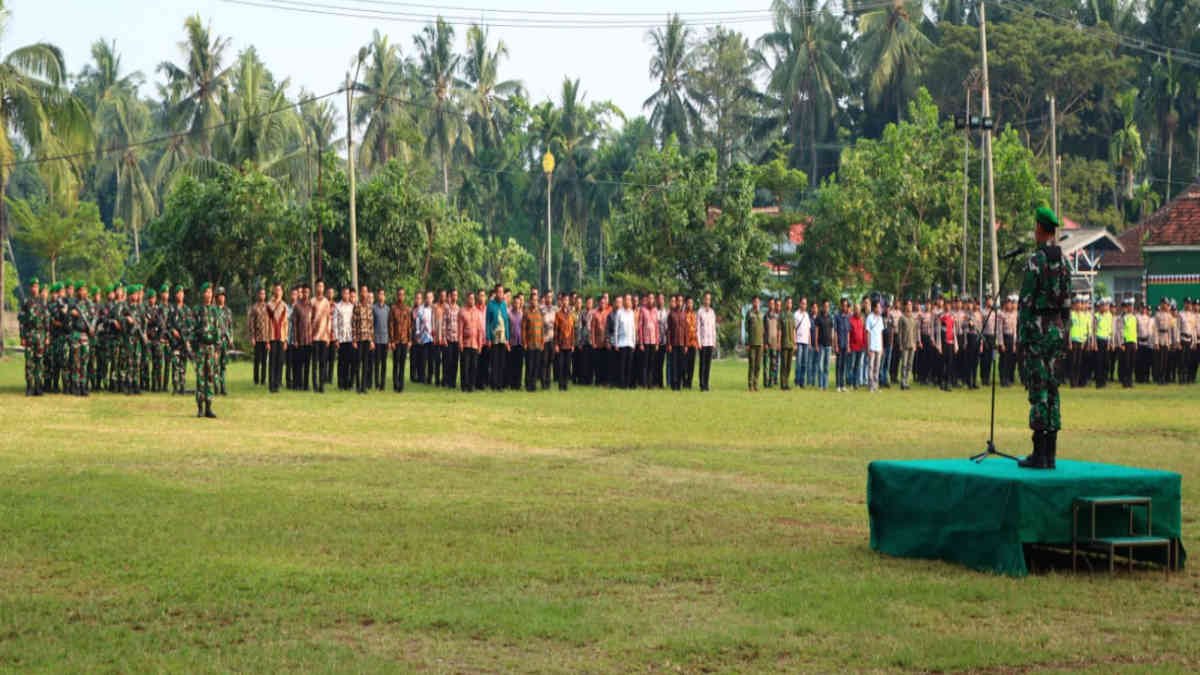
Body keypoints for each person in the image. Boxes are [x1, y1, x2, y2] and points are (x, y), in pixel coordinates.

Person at [1017, 207, 1071, 470]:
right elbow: (1068, 303)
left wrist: (1022, 337)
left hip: (1037, 331)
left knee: (1038, 390)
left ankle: (1039, 455)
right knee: (1053, 390)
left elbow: (1026, 302)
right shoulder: (1064, 262)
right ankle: (1051, 454)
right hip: (1057, 332)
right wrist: (1065, 333)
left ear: (1039, 227)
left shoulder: (1035, 261)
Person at [193, 282, 221, 419]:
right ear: (202, 294)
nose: (208, 295)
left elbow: (218, 330)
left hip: (211, 348)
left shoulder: (215, 311)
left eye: (210, 292)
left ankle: (209, 407)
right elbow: (192, 329)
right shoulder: (197, 310)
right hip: (200, 347)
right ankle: (200, 407)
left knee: (210, 377)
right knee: (200, 378)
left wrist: (217, 349)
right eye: (206, 292)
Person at [18, 278, 46, 396]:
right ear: (30, 288)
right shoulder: (26, 302)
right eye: (33, 286)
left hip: (40, 336)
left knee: (39, 362)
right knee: (29, 362)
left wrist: (47, 336)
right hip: (29, 335)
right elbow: (21, 321)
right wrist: (22, 337)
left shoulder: (42, 302)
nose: (35, 288)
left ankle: (38, 387)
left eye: (36, 286)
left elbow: (47, 320)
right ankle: (29, 386)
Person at [485, 284, 510, 391]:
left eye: (502, 292)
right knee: (494, 362)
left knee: (502, 362)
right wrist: (488, 338)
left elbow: (506, 322)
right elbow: (487, 322)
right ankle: (494, 385)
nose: (500, 294)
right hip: (494, 338)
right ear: (495, 293)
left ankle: (500, 384)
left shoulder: (504, 305)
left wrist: (507, 339)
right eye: (499, 292)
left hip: (503, 338)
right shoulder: (490, 305)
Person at [266, 284, 289, 393]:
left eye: (279, 290)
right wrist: (267, 341)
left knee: (280, 361)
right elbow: (267, 323)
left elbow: (286, 324)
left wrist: (285, 340)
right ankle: (271, 384)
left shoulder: (284, 306)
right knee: (272, 362)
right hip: (272, 337)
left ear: (282, 292)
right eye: (276, 290)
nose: (278, 291)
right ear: (273, 291)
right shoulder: (269, 305)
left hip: (281, 337)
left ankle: (277, 383)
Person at [458, 291, 483, 392]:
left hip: (475, 344)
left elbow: (480, 330)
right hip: (466, 343)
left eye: (473, 298)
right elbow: (460, 329)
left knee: (474, 366)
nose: (472, 300)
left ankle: (471, 386)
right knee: (465, 366)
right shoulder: (462, 312)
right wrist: (460, 343)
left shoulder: (477, 312)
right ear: (466, 299)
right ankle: (464, 386)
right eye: (470, 298)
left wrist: (480, 344)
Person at [387, 288, 411, 392]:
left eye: (402, 295)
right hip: (396, 340)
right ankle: (395, 384)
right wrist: (391, 341)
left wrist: (410, 340)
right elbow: (391, 325)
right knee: (396, 363)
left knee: (402, 364)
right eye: (399, 294)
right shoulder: (393, 309)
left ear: (404, 296)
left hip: (405, 340)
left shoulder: (407, 309)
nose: (401, 296)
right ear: (397, 296)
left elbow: (410, 325)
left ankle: (401, 385)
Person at [352, 285, 375, 393]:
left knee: (366, 363)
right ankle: (358, 385)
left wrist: (371, 340)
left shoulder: (370, 307)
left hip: (367, 338)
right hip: (359, 338)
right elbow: (354, 323)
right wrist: (354, 340)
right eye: (362, 291)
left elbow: (371, 324)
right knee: (358, 363)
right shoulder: (356, 305)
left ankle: (364, 386)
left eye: (365, 291)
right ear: (360, 293)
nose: (364, 293)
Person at [333, 287, 356, 390]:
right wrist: (336, 338)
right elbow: (335, 324)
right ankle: (341, 383)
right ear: (342, 294)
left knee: (349, 361)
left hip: (350, 337)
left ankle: (348, 384)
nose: (346, 295)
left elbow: (354, 323)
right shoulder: (338, 306)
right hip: (341, 338)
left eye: (348, 293)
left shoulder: (352, 307)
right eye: (345, 293)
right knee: (341, 362)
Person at [522, 289, 544, 392]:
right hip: (529, 344)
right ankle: (528, 384)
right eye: (533, 300)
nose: (534, 302)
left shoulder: (540, 314)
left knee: (536, 365)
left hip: (538, 344)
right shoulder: (526, 313)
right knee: (529, 365)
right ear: (530, 301)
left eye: (536, 300)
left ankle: (534, 384)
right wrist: (525, 342)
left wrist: (542, 342)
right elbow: (523, 329)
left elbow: (542, 329)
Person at [248, 288, 270, 386]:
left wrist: (269, 339)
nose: (262, 295)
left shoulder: (268, 307)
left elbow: (270, 324)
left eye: (263, 294)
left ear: (265, 295)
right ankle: (256, 380)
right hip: (257, 338)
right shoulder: (254, 307)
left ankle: (263, 379)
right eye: (260, 293)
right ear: (258, 295)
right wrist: (252, 337)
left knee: (264, 360)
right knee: (257, 360)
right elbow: (251, 323)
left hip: (266, 338)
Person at [615, 295, 637, 389]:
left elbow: (633, 328)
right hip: (621, 343)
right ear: (624, 301)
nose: (628, 301)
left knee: (629, 365)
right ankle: (622, 384)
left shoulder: (632, 313)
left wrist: (634, 341)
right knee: (622, 365)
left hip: (630, 343)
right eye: (626, 299)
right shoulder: (619, 312)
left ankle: (628, 384)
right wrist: (616, 343)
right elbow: (616, 328)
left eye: (629, 300)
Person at [637, 293, 658, 388]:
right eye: (649, 298)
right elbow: (640, 326)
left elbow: (656, 326)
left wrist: (657, 341)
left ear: (654, 300)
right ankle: (644, 383)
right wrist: (641, 342)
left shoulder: (655, 310)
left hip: (653, 340)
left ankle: (650, 383)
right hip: (645, 340)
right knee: (645, 363)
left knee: (652, 363)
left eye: (652, 298)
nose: (651, 300)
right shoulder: (643, 310)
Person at [667, 294, 688, 391]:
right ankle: (673, 384)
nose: (679, 303)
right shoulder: (671, 314)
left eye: (681, 301)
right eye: (677, 301)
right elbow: (669, 331)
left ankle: (679, 384)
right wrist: (669, 344)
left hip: (682, 344)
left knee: (681, 365)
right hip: (673, 343)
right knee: (673, 365)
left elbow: (685, 330)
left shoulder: (684, 314)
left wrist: (686, 344)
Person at [896, 299, 918, 390]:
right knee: (904, 364)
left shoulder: (913, 318)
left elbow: (915, 332)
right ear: (905, 306)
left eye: (910, 305)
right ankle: (903, 381)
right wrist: (900, 344)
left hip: (912, 344)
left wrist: (915, 343)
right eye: (908, 305)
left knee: (910, 364)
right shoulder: (902, 318)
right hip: (904, 344)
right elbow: (900, 332)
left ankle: (907, 381)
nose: (910, 306)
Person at [555, 293, 575, 391]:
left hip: (569, 344)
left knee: (567, 365)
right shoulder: (558, 314)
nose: (565, 302)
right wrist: (556, 344)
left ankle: (565, 384)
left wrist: (572, 343)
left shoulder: (571, 315)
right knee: (561, 365)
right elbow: (556, 330)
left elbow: (572, 330)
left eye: (567, 300)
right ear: (561, 301)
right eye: (564, 300)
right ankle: (560, 384)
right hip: (561, 343)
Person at [697, 293, 716, 392]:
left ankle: (706, 384)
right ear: (703, 300)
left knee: (708, 365)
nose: (708, 301)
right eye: (706, 299)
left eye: (709, 299)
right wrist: (699, 342)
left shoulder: (712, 312)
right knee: (702, 364)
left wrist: (714, 341)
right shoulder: (700, 312)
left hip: (710, 342)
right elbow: (698, 328)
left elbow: (713, 328)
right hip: (703, 342)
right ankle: (702, 384)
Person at [215, 287, 232, 396]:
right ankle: (216, 387)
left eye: (223, 295)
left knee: (223, 365)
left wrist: (231, 338)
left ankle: (223, 387)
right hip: (216, 342)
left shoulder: (228, 311)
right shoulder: (213, 310)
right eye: (220, 295)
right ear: (216, 297)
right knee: (215, 365)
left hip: (225, 341)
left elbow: (230, 326)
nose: (222, 297)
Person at [442, 290, 461, 388]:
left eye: (456, 295)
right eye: (453, 295)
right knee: (447, 361)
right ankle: (446, 380)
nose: (455, 297)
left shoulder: (458, 308)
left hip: (456, 339)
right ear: (450, 296)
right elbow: (444, 324)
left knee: (454, 361)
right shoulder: (446, 308)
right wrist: (444, 338)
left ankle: (453, 381)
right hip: (448, 338)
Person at [745, 297, 763, 392]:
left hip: (760, 343)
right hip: (751, 343)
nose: (756, 303)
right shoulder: (749, 313)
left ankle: (756, 384)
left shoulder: (761, 314)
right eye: (755, 301)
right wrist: (747, 343)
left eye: (758, 302)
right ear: (752, 302)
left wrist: (763, 342)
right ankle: (750, 384)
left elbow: (763, 329)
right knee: (751, 364)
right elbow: (746, 328)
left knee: (758, 365)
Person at [865, 300, 884, 392]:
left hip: (879, 346)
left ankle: (876, 385)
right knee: (871, 366)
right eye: (878, 307)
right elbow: (867, 333)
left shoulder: (880, 318)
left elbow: (880, 333)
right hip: (872, 346)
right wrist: (868, 347)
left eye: (880, 307)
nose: (880, 308)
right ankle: (870, 386)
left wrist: (882, 346)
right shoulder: (869, 318)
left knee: (877, 366)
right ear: (874, 308)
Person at [507, 293, 524, 390]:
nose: (516, 304)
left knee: (519, 364)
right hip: (512, 342)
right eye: (515, 303)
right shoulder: (509, 314)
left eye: (518, 302)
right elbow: (508, 328)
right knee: (512, 364)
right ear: (513, 303)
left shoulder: (522, 314)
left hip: (520, 342)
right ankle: (512, 383)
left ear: (520, 303)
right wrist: (508, 342)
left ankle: (518, 384)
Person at [779, 297, 795, 390]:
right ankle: (783, 384)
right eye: (788, 302)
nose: (790, 304)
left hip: (791, 344)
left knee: (789, 365)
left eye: (791, 303)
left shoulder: (792, 316)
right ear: (785, 304)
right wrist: (778, 342)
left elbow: (793, 330)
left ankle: (787, 383)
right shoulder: (782, 315)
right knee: (784, 365)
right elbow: (780, 330)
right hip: (784, 343)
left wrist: (795, 343)